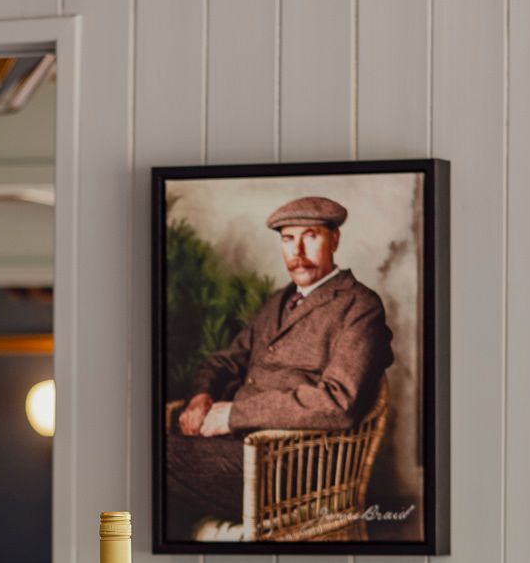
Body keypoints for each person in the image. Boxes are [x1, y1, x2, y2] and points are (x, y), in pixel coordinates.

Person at [166, 195, 393, 528]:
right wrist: (201, 396)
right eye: (288, 239)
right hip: (239, 451)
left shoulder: (359, 306)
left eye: (310, 236)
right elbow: (225, 362)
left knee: (149, 457)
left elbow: (338, 403)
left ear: (335, 239)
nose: (297, 253)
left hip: (293, 465)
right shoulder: (278, 302)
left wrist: (234, 415)